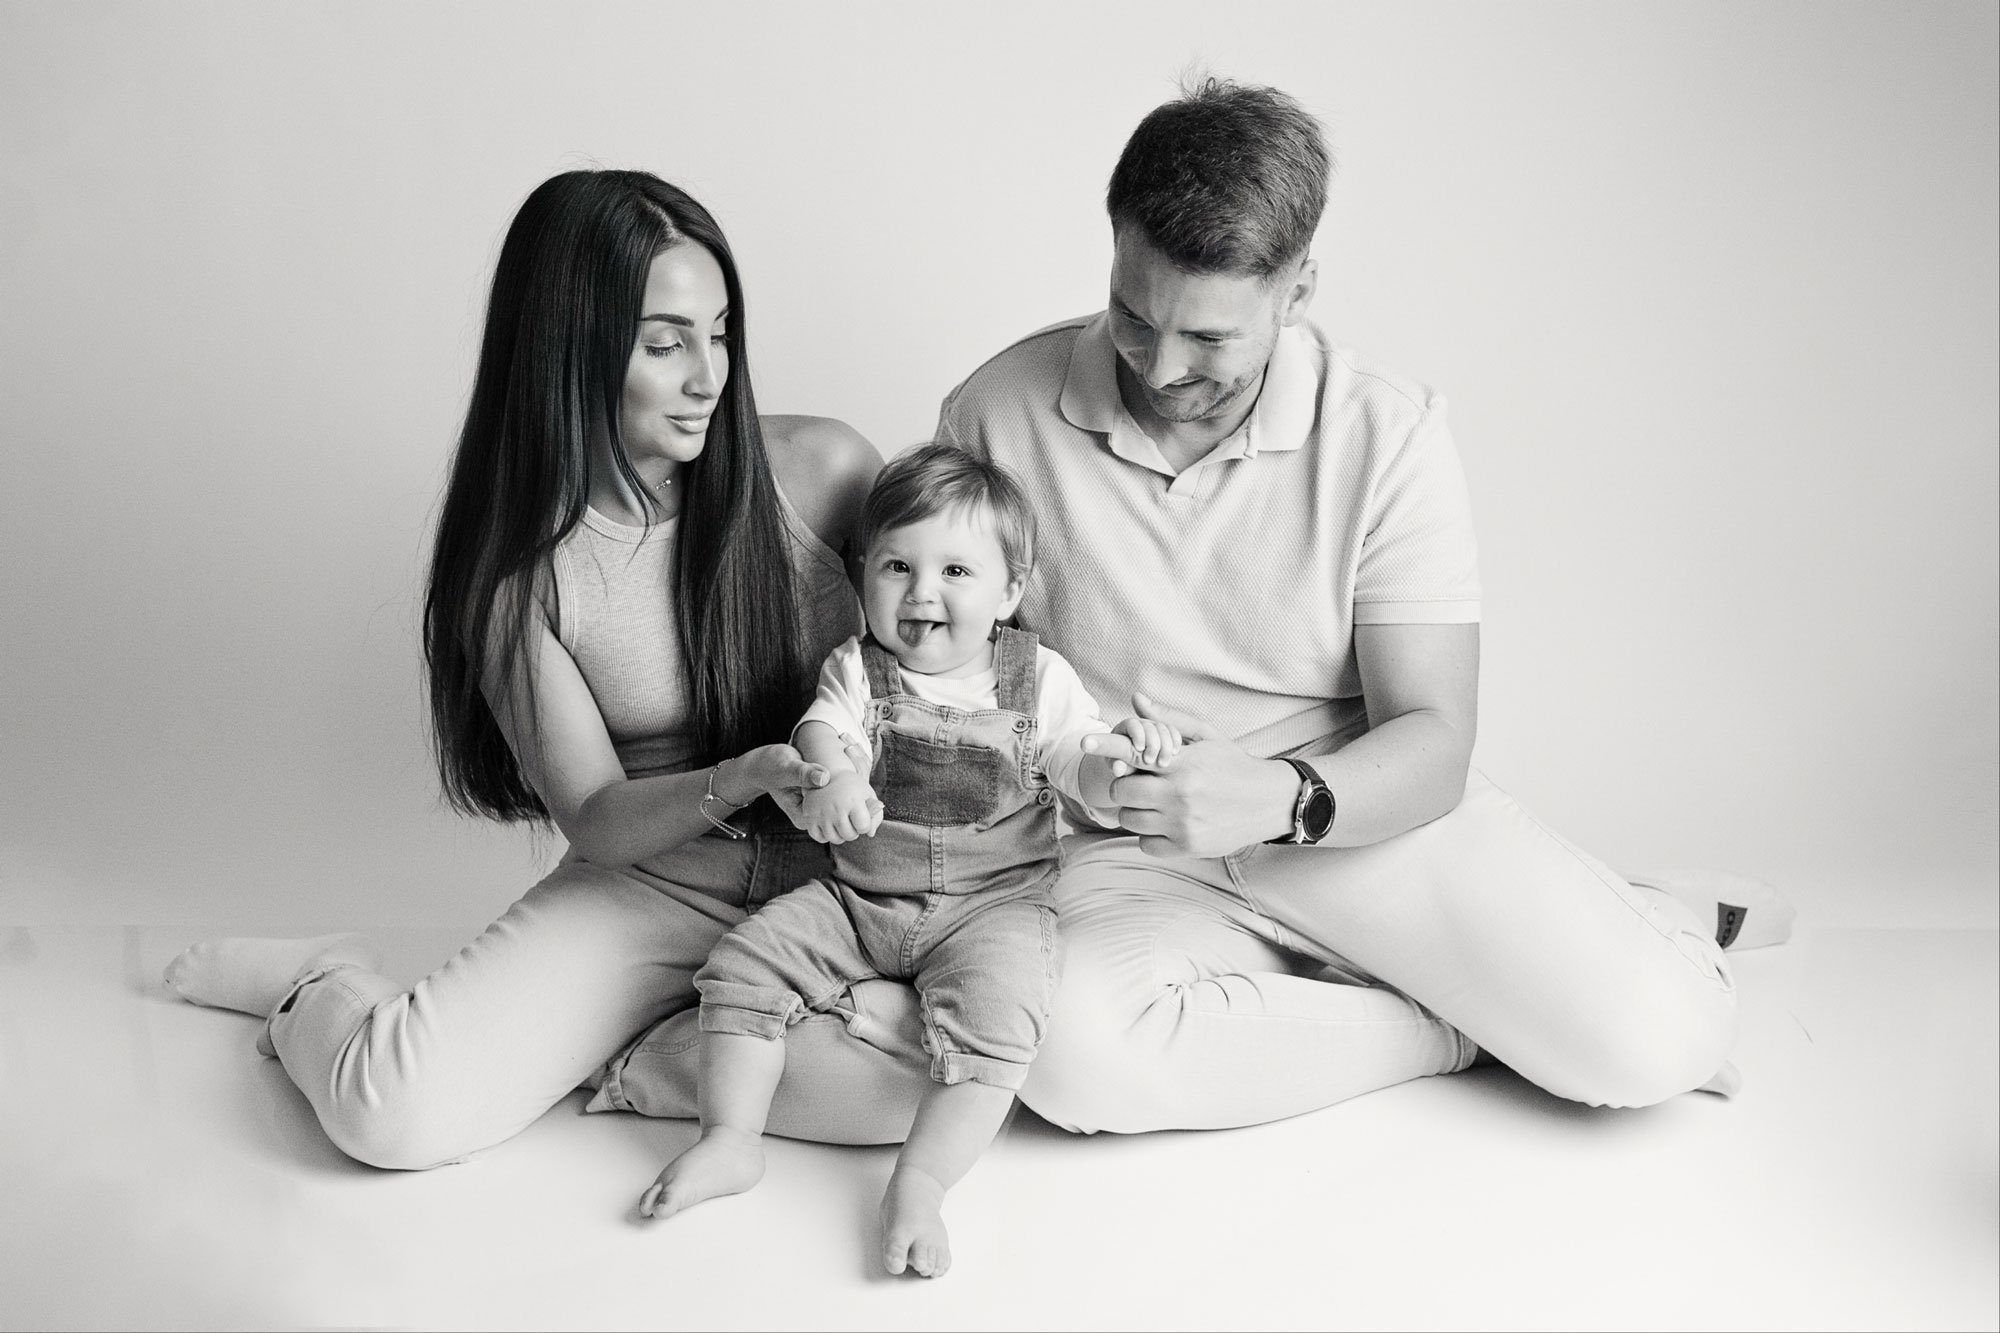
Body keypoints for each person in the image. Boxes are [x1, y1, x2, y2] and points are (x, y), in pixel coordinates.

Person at [922, 77, 1792, 1134]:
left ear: (1296, 290)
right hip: (1125, 851)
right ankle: (1455, 1028)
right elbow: (962, 675)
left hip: (1350, 814)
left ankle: (1649, 922)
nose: (1158, 366)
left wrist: (1282, 798)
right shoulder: (991, 412)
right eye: (1132, 317)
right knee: (1062, 1060)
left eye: (1209, 340)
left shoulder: (1388, 432)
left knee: (1656, 1043)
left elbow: (1431, 736)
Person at [159, 169, 930, 1168]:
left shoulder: (821, 472)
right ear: (570, 350)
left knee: (929, 1081)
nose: (710, 375)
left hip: (837, 882)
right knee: (389, 1115)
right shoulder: (519, 581)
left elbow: (947, 645)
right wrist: (740, 777)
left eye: (720, 332)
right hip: (652, 886)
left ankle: (633, 1057)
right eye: (665, 342)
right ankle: (316, 987)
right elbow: (598, 816)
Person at [637, 444, 1179, 1276]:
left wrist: (1122, 762)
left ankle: (920, 1183)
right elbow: (821, 730)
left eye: (955, 569)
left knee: (1002, 1026)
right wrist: (836, 772)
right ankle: (731, 1137)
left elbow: (1081, 761)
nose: (922, 591)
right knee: (744, 961)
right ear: (863, 576)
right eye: (897, 564)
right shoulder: (860, 668)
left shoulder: (1039, 679)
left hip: (993, 908)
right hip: (861, 900)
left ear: (1009, 588)